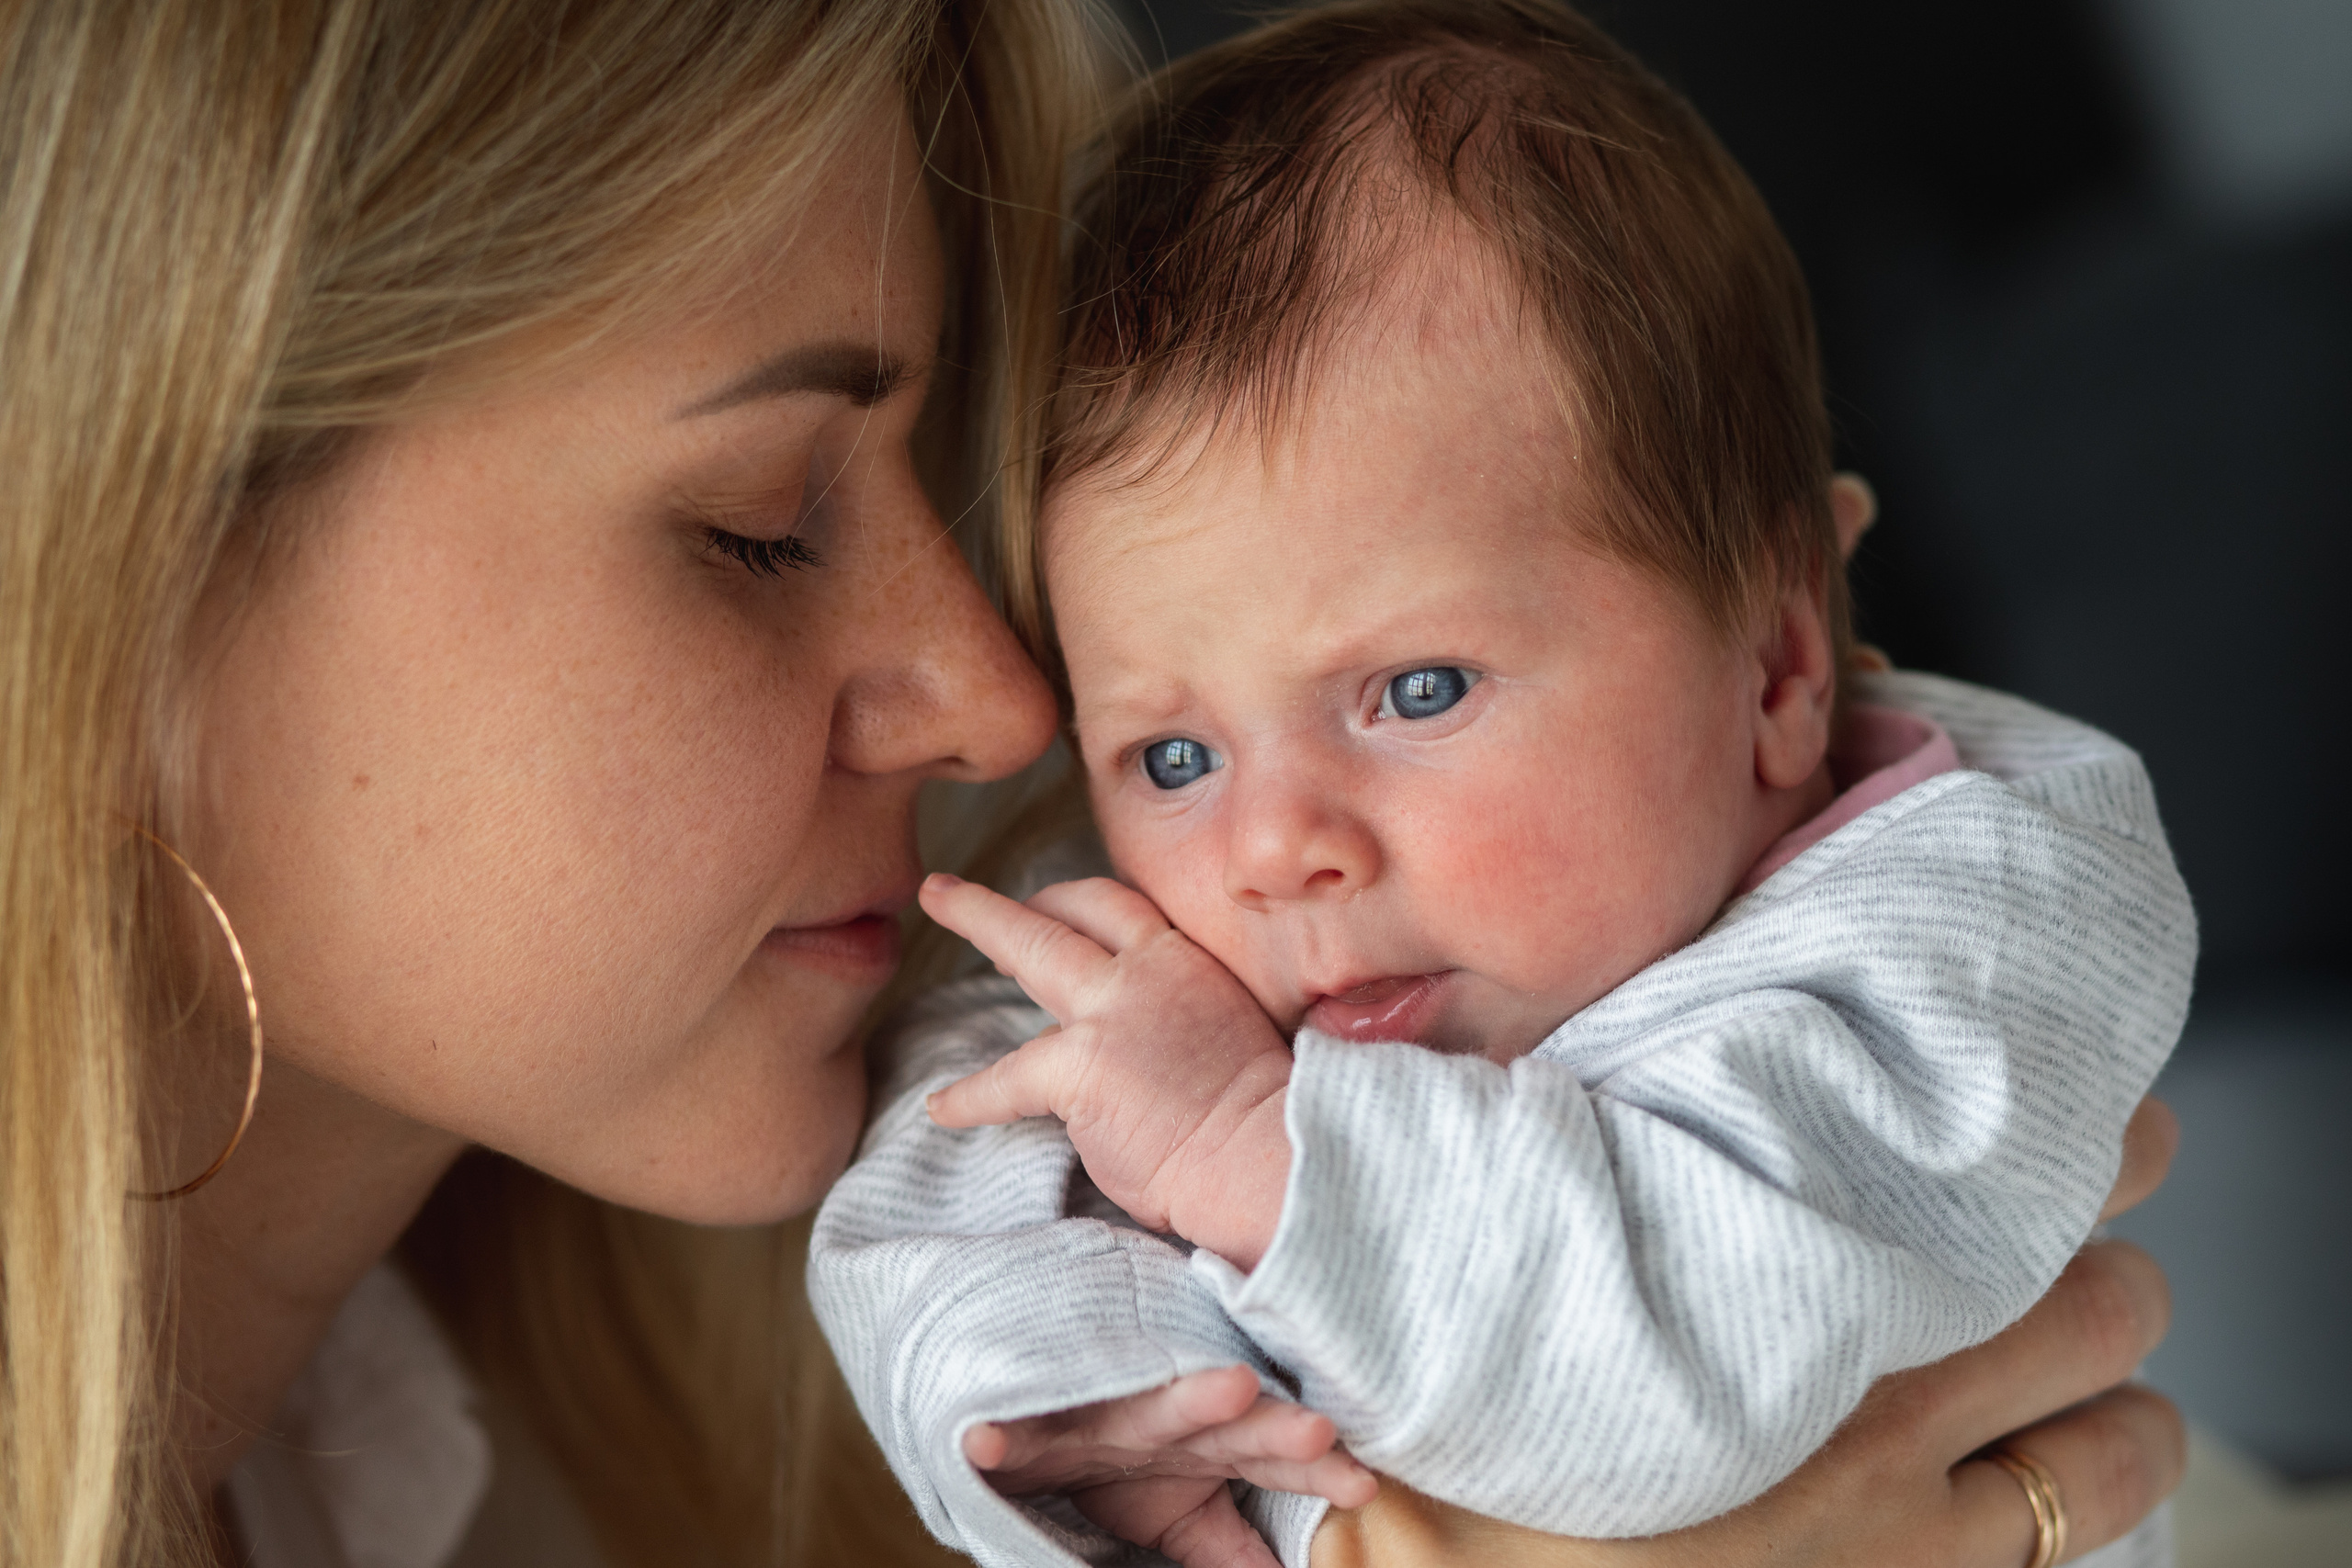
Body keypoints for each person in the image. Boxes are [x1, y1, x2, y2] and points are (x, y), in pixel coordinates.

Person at [0, 2, 2183, 1567]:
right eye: (756, 523)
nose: (996, 699)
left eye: (1417, 684)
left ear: (1783, 660)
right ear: (121, 573)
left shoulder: (602, 1447)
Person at [808, 3, 2197, 1566]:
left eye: (1417, 692)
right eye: (1174, 757)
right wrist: (1075, 1402)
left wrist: (1256, 1156)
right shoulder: (1177, 949)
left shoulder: (1954, 947)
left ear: (1778, 666)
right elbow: (934, 1185)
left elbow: (1685, 1375)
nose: (1274, 847)